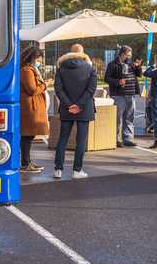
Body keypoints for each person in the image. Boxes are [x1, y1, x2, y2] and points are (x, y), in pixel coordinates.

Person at [54, 44, 97, 179]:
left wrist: (69, 105)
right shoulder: (90, 68)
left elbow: (58, 89)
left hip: (67, 109)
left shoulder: (61, 69)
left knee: (63, 139)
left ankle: (58, 169)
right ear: (83, 53)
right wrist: (79, 104)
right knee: (81, 140)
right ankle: (77, 170)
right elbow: (91, 90)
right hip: (84, 109)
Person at [104, 45, 143, 147]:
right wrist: (118, 81)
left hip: (131, 94)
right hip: (118, 95)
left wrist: (138, 66)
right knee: (118, 118)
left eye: (130, 55)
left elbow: (139, 74)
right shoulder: (112, 64)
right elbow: (107, 78)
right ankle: (116, 139)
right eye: (127, 55)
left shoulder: (131, 64)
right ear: (122, 54)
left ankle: (128, 138)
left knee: (129, 117)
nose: (129, 57)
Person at [19, 46, 48, 173]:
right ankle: (25, 164)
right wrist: (45, 84)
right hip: (30, 107)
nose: (40, 61)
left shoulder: (30, 69)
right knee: (27, 135)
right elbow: (32, 89)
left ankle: (28, 161)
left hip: (32, 106)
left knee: (29, 136)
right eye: (38, 58)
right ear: (32, 58)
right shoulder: (26, 70)